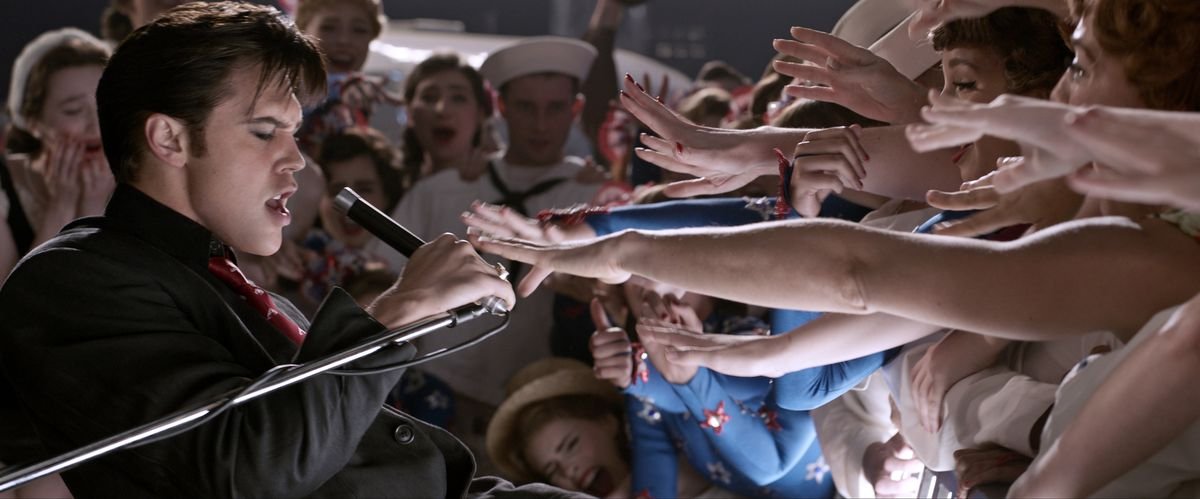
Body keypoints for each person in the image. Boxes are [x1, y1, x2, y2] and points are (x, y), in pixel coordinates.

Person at [0, 4, 588, 498]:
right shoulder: (74, 280)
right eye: (263, 132)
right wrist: (399, 310)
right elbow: (249, 470)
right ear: (169, 138)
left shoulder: (232, 286)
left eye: (296, 133)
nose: (296, 160)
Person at [369, 36, 604, 474]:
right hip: (433, 396)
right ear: (500, 106)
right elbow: (375, 275)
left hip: (534, 407)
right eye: (525, 107)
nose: (540, 123)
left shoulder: (595, 197)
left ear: (574, 110)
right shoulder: (442, 189)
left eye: (555, 108)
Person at [488, 357, 737, 498]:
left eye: (570, 445)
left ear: (608, 421)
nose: (567, 470)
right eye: (552, 470)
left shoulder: (689, 460)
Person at [3, 28, 114, 256]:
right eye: (73, 111)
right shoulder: (4, 188)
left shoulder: (142, 177)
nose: (96, 123)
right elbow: (19, 292)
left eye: (104, 105)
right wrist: (61, 207)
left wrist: (94, 207)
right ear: (33, 122)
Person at [399, 52, 494, 183]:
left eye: (458, 98)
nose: (442, 110)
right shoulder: (387, 187)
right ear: (409, 112)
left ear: (480, 114)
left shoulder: (504, 185)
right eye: (429, 97)